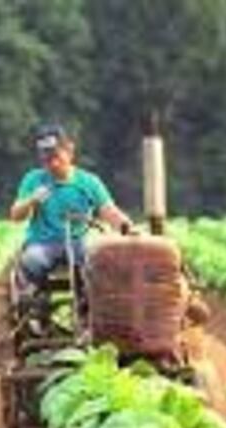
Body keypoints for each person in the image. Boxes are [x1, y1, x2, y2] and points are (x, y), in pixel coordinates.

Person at [8, 123, 135, 324]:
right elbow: (15, 215)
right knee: (31, 260)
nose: (51, 163)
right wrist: (31, 200)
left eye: (55, 156)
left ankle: (91, 309)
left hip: (78, 241)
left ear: (69, 150)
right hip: (43, 243)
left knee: (98, 260)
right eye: (45, 158)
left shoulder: (88, 182)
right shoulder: (33, 180)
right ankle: (34, 311)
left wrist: (125, 226)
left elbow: (108, 211)